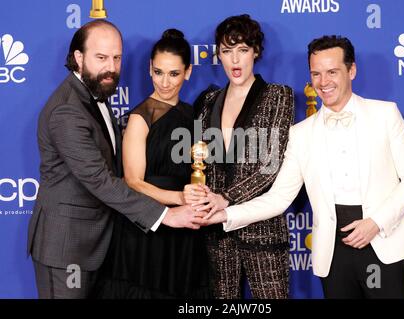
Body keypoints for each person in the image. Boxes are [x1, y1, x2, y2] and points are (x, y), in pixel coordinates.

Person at [204, 35, 404, 299]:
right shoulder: (301, 134)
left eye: (332, 72)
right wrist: (225, 215)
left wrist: (376, 223)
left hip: (383, 240)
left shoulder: (385, 114)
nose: (324, 82)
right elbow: (278, 198)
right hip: (333, 251)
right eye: (316, 74)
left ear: (351, 70)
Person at [27, 20, 205, 299]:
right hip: (67, 248)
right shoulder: (67, 111)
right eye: (101, 57)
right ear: (78, 57)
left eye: (116, 58)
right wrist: (167, 213)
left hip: (99, 244)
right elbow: (101, 181)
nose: (110, 66)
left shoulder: (94, 93)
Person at [93, 28, 211, 299]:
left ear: (188, 72)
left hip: (186, 229)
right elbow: (133, 182)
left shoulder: (192, 114)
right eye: (158, 72)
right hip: (147, 228)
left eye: (174, 74)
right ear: (149, 69)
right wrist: (179, 198)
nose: (165, 83)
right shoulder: (140, 117)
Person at [184, 14, 294, 299]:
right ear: (218, 55)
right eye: (227, 51)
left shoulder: (277, 96)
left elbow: (270, 166)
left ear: (255, 52)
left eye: (242, 50)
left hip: (263, 232)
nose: (235, 60)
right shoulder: (208, 102)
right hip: (218, 235)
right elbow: (201, 162)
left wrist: (226, 199)